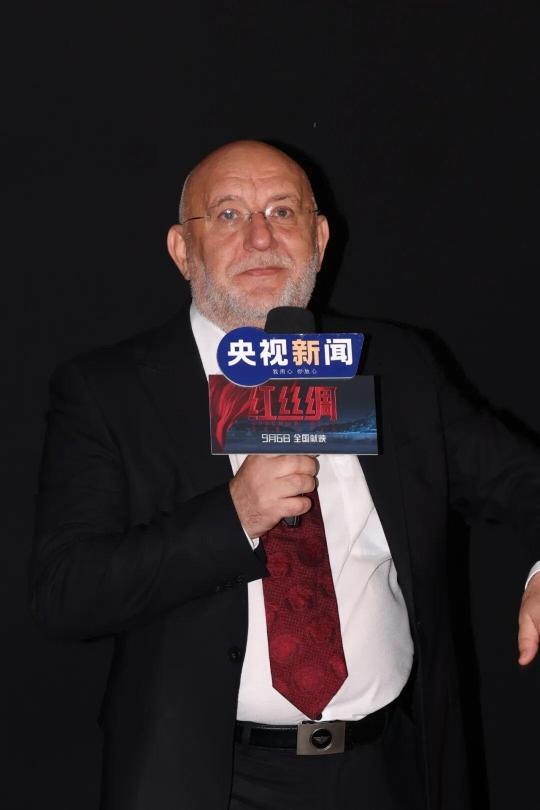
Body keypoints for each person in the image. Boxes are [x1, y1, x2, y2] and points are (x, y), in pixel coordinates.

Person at [31, 140, 540, 810]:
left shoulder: (395, 364)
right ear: (183, 250)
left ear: (320, 239)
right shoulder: (109, 392)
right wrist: (234, 515)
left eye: (282, 211)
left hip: (389, 771)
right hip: (208, 782)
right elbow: (66, 593)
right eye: (229, 215)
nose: (261, 238)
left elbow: (519, 479)